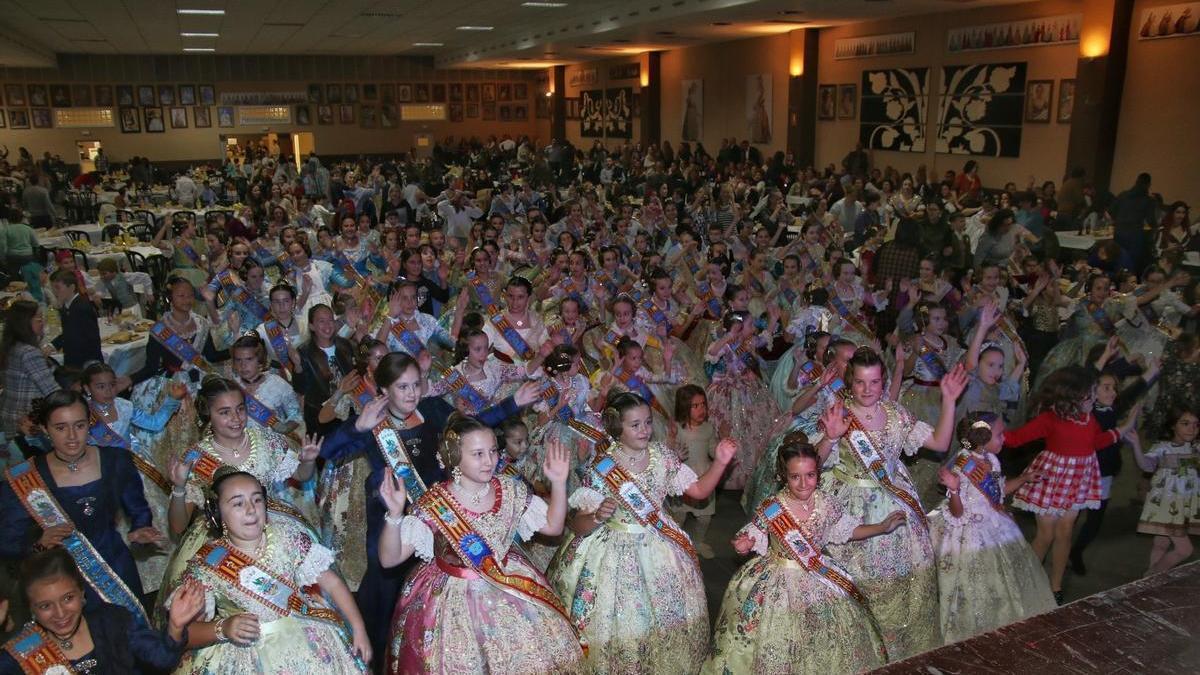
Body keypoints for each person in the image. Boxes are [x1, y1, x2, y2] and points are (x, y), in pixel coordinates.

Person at [319, 352, 542, 663]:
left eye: (416, 385)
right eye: (402, 387)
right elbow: (327, 451)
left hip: (441, 520)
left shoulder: (433, 409)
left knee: (430, 600)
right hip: (390, 520)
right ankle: (377, 659)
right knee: (384, 594)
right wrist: (357, 425)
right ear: (383, 390)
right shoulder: (373, 423)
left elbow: (471, 427)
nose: (412, 394)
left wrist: (513, 403)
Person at [548, 392, 737, 672]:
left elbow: (698, 491)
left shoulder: (662, 456)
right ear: (616, 428)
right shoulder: (602, 467)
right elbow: (577, 524)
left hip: (660, 547)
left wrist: (720, 462)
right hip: (610, 554)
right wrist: (598, 517)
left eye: (647, 422)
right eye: (634, 425)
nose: (644, 430)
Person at [379, 415, 585, 673]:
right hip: (452, 602)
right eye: (478, 454)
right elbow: (389, 559)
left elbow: (553, 528)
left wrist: (557, 483)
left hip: (512, 588)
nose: (489, 461)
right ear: (454, 456)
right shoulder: (435, 503)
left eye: (492, 451)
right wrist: (395, 516)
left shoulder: (511, 490)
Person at [813, 348, 968, 660]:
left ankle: (898, 647)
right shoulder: (838, 415)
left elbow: (939, 443)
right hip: (850, 506)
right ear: (849, 382)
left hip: (896, 504)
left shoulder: (897, 414)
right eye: (859, 383)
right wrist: (829, 438)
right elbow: (811, 467)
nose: (867, 389)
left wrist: (949, 401)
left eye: (874, 382)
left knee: (905, 578)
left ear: (883, 381)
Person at [706, 442, 897, 674]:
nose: (804, 483)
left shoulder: (826, 503)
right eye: (795, 477)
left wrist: (881, 527)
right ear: (783, 476)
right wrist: (744, 545)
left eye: (810, 475)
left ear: (818, 472)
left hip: (818, 577)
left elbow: (846, 530)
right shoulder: (773, 507)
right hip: (778, 582)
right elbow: (750, 535)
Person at [156, 376, 321, 626]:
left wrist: (308, 461)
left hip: (272, 528)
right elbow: (178, 527)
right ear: (207, 413)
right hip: (220, 541)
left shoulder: (266, 441)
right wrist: (179, 488)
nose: (236, 418)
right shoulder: (196, 458)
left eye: (240, 409)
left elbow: (300, 476)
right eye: (224, 412)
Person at [172, 469, 370, 672]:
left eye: (257, 500)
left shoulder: (289, 538)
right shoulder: (207, 564)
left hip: (313, 644)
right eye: (238, 503)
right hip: (249, 659)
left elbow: (332, 582)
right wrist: (223, 628)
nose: (251, 510)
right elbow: (182, 633)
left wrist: (358, 628)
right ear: (217, 513)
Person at [0, 391, 164, 615]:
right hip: (59, 581)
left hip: (116, 568)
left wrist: (140, 530)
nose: (71, 436)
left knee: (131, 637)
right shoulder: (26, 478)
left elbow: (138, 509)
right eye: (60, 427)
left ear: (90, 424)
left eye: (79, 425)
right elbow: (7, 542)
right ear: (45, 429)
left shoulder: (116, 460)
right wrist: (39, 545)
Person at [1002, 366, 1137, 604]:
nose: (1094, 397)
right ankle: (1025, 580)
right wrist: (986, 431)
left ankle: (1055, 585)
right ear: (1071, 396)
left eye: (1094, 392)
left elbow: (1095, 441)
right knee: (1045, 535)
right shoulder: (1050, 418)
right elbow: (1015, 438)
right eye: (1090, 393)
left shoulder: (1089, 418)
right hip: (1051, 480)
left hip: (1077, 482)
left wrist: (1122, 430)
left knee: (1065, 532)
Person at [929, 413, 1056, 643]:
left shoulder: (990, 459)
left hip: (995, 523)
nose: (1004, 438)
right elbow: (958, 512)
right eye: (999, 434)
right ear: (982, 438)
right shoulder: (962, 466)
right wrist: (955, 490)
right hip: (971, 531)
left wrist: (1025, 478)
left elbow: (999, 490)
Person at [0, 548, 203, 674]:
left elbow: (161, 659)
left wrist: (176, 626)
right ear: (31, 608)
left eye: (68, 598)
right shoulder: (23, 651)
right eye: (45, 606)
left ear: (82, 593)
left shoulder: (112, 621)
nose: (60, 613)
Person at [1131, 406, 1200, 575]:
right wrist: (1136, 445)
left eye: (1196, 424)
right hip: (1165, 504)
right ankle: (1152, 576)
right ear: (1173, 425)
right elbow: (1146, 465)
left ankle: (1149, 578)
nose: (1192, 428)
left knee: (1161, 542)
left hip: (1184, 505)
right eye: (1185, 423)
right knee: (1184, 550)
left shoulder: (1196, 448)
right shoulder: (1162, 447)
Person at [668, 384, 719, 559]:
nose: (701, 409)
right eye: (695, 406)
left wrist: (723, 445)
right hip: (683, 478)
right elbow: (668, 453)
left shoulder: (708, 429)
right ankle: (676, 542)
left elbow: (713, 451)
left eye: (703, 404)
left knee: (705, 517)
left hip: (704, 477)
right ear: (684, 407)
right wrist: (673, 444)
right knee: (678, 515)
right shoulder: (677, 429)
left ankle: (698, 542)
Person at [0, 301, 59, 441]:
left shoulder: (10, 347)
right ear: (25, 323)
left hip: (9, 414)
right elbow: (51, 390)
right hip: (27, 421)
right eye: (38, 318)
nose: (43, 322)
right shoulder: (29, 353)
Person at [49, 269, 103, 368]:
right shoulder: (67, 306)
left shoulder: (81, 307)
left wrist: (91, 366)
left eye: (57, 288)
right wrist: (52, 345)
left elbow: (92, 340)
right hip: (73, 360)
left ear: (72, 287)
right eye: (52, 288)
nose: (54, 292)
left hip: (85, 363)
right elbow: (69, 332)